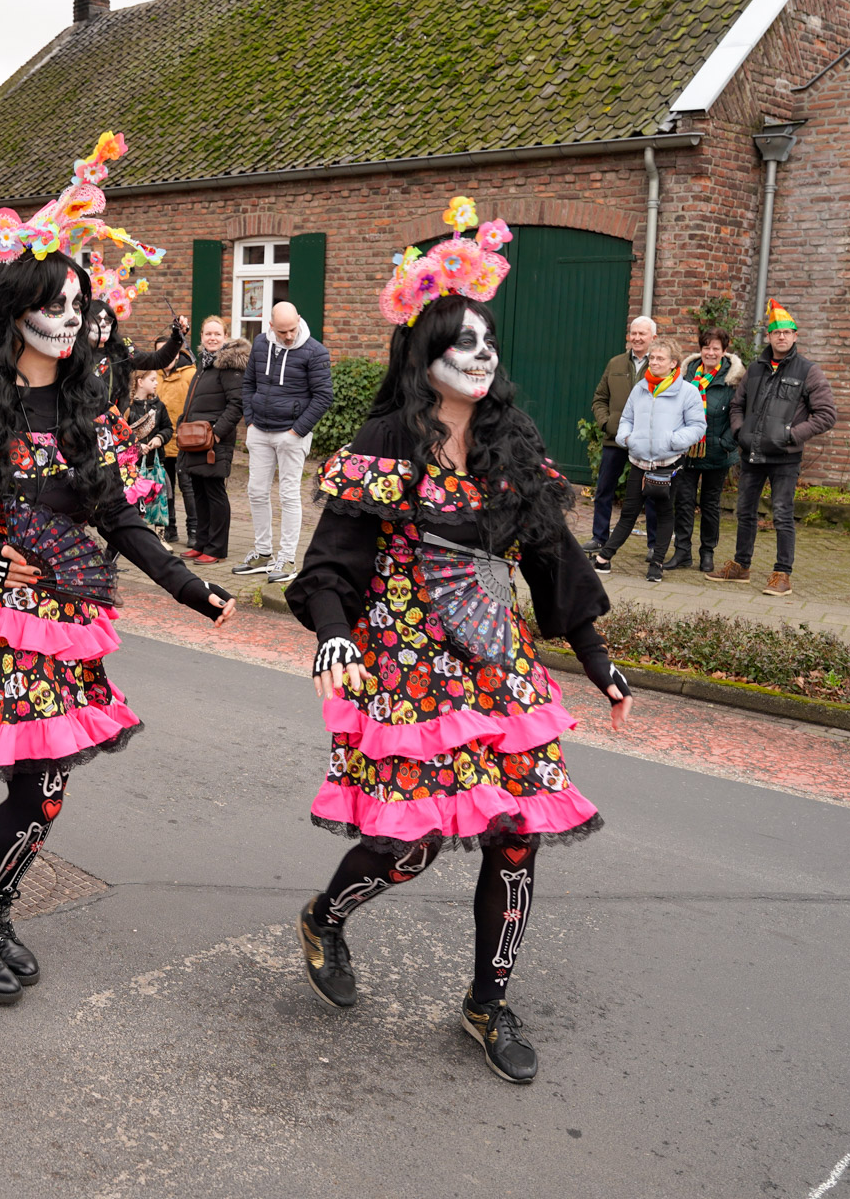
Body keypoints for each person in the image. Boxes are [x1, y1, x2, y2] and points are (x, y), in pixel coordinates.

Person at [288, 199, 631, 1085]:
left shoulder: (513, 443)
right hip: (406, 668)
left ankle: (488, 1002)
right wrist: (333, 635)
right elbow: (331, 562)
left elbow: (550, 556)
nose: (481, 355)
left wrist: (595, 655)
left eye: (488, 342)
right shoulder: (385, 443)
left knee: (516, 837)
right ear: (423, 355)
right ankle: (326, 917)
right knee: (411, 845)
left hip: (497, 670)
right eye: (461, 342)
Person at [0, 244, 236, 1006]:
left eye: (78, 306)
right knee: (38, 790)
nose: (70, 320)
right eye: (54, 305)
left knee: (46, 789)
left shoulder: (89, 411)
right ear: (14, 312)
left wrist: (186, 586)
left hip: (63, 625)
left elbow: (119, 516)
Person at [709, 299, 838, 596]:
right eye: (776, 332)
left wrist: (790, 435)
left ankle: (782, 574)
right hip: (752, 454)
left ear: (795, 335)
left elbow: (826, 414)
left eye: (787, 332)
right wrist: (740, 431)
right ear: (768, 336)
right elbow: (737, 405)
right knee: (744, 512)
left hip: (785, 458)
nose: (781, 336)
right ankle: (741, 567)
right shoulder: (755, 369)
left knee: (782, 515)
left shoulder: (808, 371)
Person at [236, 302, 334, 585]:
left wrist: (297, 431)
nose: (289, 336)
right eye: (282, 331)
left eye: (292, 329)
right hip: (259, 430)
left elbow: (323, 396)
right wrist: (250, 420)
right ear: (271, 326)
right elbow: (248, 384)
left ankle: (288, 558)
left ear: (299, 320)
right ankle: (263, 553)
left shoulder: (315, 351)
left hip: (291, 434)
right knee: (256, 491)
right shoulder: (259, 344)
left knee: (289, 495)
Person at [592, 339, 704, 582]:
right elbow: (627, 419)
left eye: (660, 358)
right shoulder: (640, 388)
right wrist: (627, 438)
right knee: (628, 513)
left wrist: (673, 441)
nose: (654, 362)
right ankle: (603, 558)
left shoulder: (688, 392)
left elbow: (697, 426)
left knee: (664, 513)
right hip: (639, 462)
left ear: (673, 363)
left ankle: (657, 564)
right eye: (652, 358)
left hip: (668, 465)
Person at [669, 328, 744, 573]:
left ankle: (707, 552)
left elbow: (741, 413)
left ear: (724, 350)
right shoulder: (685, 376)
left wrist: (726, 443)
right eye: (706, 347)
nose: (710, 353)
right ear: (700, 349)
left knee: (710, 505)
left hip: (717, 453)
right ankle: (682, 551)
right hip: (688, 451)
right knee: (683, 502)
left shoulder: (733, 380)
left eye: (715, 348)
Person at [178, 331, 249, 565]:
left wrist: (217, 433)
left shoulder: (229, 366)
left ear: (225, 336)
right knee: (199, 491)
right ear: (202, 337)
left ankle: (216, 548)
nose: (212, 337)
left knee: (215, 493)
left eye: (217, 334)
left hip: (214, 442)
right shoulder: (204, 365)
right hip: (196, 439)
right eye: (208, 333)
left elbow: (237, 404)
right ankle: (201, 543)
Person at [587, 316, 656, 550]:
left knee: (651, 493)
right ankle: (599, 538)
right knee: (604, 489)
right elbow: (600, 398)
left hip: (646, 442)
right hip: (615, 438)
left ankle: (654, 545)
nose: (636, 338)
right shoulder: (615, 363)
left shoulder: (659, 364)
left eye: (642, 334)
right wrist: (607, 424)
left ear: (653, 337)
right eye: (633, 333)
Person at [155, 320, 205, 547]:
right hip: (161, 442)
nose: (164, 357)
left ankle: (194, 530)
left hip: (185, 441)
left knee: (188, 488)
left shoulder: (190, 374)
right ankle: (170, 528)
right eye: (159, 353)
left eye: (168, 351)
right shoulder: (153, 375)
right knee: (165, 488)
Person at [125, 368, 172, 533]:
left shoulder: (159, 406)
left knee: (160, 502)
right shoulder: (127, 407)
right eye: (152, 380)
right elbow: (120, 434)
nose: (156, 383)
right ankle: (136, 535)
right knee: (136, 505)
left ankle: (160, 537)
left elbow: (168, 428)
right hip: (133, 467)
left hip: (155, 464)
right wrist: (137, 446)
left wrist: (160, 437)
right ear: (140, 382)